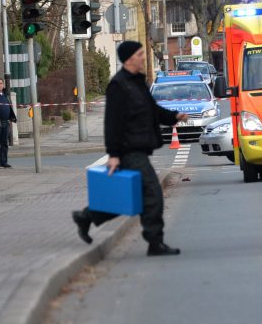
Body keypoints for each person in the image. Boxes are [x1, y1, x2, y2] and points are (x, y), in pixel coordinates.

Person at [72, 40, 189, 256]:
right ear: (129, 58)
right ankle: (155, 242)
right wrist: (114, 154)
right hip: (129, 150)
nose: (143, 58)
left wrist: (174, 116)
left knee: (130, 195)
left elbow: (152, 110)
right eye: (140, 54)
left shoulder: (137, 83)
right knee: (153, 193)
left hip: (139, 148)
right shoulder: (118, 85)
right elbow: (112, 122)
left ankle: (87, 217)